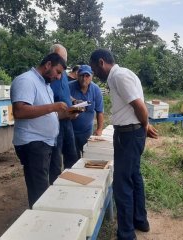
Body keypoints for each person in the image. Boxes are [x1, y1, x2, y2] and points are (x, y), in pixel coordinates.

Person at [90, 49, 158, 240]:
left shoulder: (119, 76)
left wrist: (144, 127)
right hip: (130, 133)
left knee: (122, 184)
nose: (95, 74)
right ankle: (140, 220)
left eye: (95, 69)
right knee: (134, 176)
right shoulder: (118, 76)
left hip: (129, 135)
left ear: (102, 62)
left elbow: (140, 106)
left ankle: (126, 233)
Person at [10, 53, 68, 208]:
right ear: (48, 65)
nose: (58, 77)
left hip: (46, 142)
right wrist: (54, 106)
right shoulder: (26, 80)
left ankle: (45, 216)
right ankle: (39, 222)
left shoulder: (45, 85)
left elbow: (45, 113)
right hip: (33, 143)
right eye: (58, 71)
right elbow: (20, 111)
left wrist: (68, 113)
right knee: (39, 190)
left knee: (44, 185)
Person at [49, 44, 79, 180]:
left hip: (68, 122)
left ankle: (70, 183)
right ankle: (54, 189)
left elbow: (64, 93)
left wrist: (73, 102)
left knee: (72, 154)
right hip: (55, 123)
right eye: (60, 58)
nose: (63, 62)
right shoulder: (49, 75)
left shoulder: (64, 75)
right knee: (55, 159)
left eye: (65, 60)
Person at [69, 64, 104, 159]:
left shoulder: (95, 90)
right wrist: (74, 105)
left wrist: (99, 129)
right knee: (72, 159)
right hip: (70, 131)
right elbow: (63, 106)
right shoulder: (69, 87)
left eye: (87, 76)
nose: (84, 78)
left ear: (91, 77)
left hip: (87, 131)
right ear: (77, 75)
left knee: (87, 157)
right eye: (82, 75)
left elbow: (100, 111)